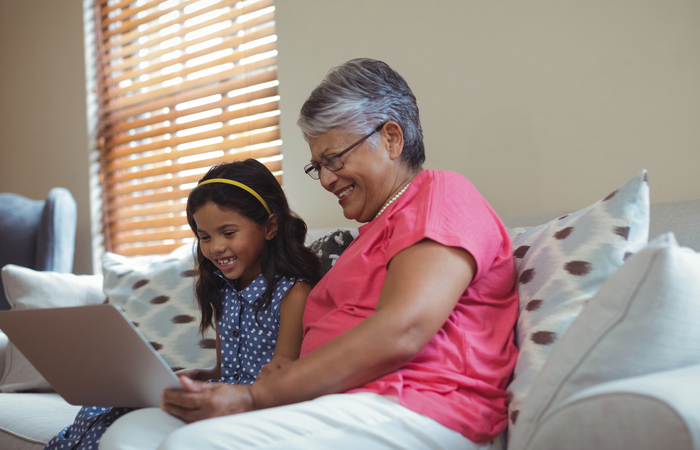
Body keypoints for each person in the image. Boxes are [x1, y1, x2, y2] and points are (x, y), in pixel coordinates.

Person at [100, 58, 518, 450]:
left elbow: (403, 329)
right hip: (335, 401)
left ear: (391, 138)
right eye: (318, 165)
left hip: (421, 405)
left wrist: (255, 396)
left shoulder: (441, 196)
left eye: (334, 158)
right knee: (130, 434)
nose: (326, 179)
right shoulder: (365, 239)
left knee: (190, 445)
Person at [46, 159, 319, 450]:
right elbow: (223, 369)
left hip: (252, 408)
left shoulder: (294, 294)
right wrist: (198, 376)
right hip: (220, 394)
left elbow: (281, 378)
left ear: (270, 226)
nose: (215, 247)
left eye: (228, 233)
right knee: (99, 409)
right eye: (204, 237)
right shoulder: (222, 291)